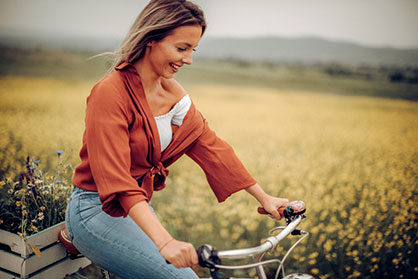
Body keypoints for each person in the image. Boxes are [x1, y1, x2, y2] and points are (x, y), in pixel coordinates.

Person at [64, 0, 289, 278]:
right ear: (151, 39)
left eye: (193, 50)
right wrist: (166, 242)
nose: (189, 59)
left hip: (136, 208)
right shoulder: (110, 93)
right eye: (181, 48)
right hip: (95, 211)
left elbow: (211, 146)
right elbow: (118, 181)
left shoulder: (172, 93)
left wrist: (264, 198)